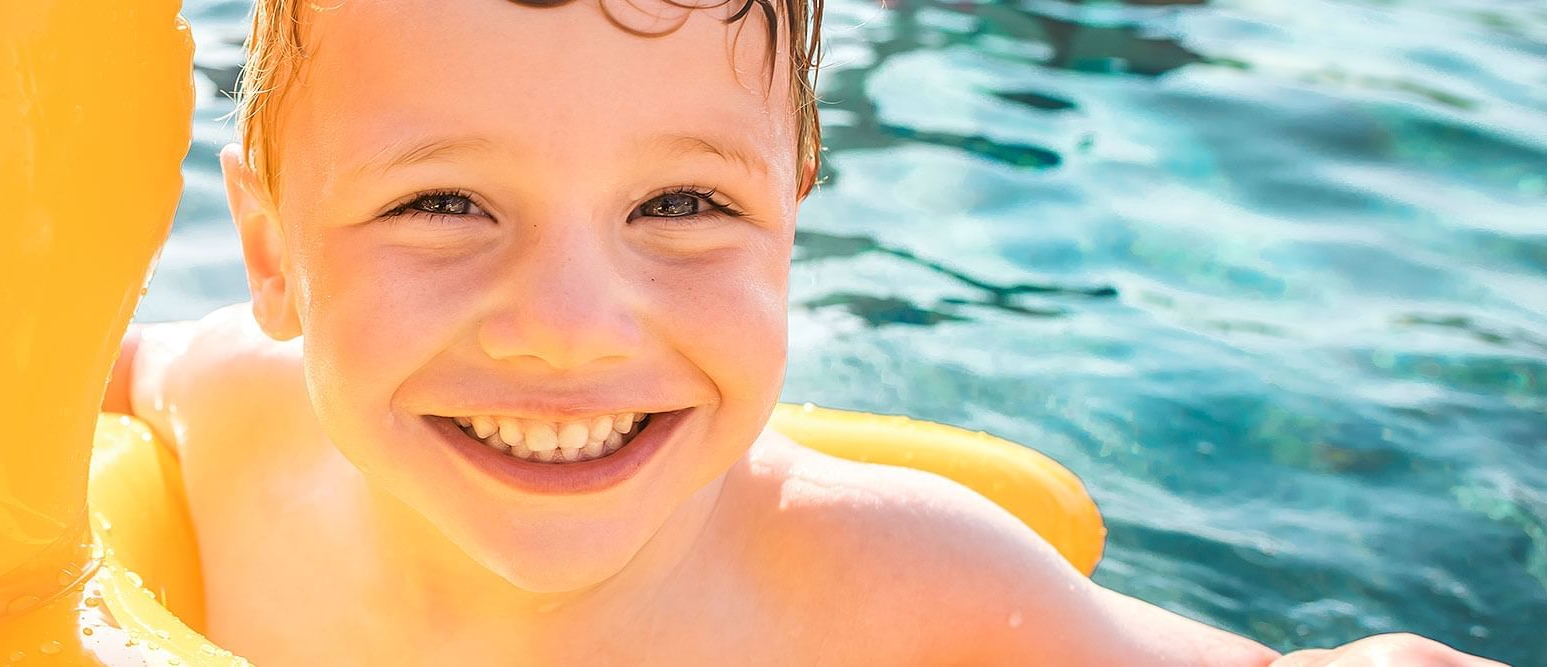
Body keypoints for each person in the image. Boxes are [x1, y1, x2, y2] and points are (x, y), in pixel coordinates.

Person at [104, 1, 1500, 664]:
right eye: (445, 202)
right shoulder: (229, 419)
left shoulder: (889, 592)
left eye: (682, 202)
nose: (569, 327)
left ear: (791, 222)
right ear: (273, 250)